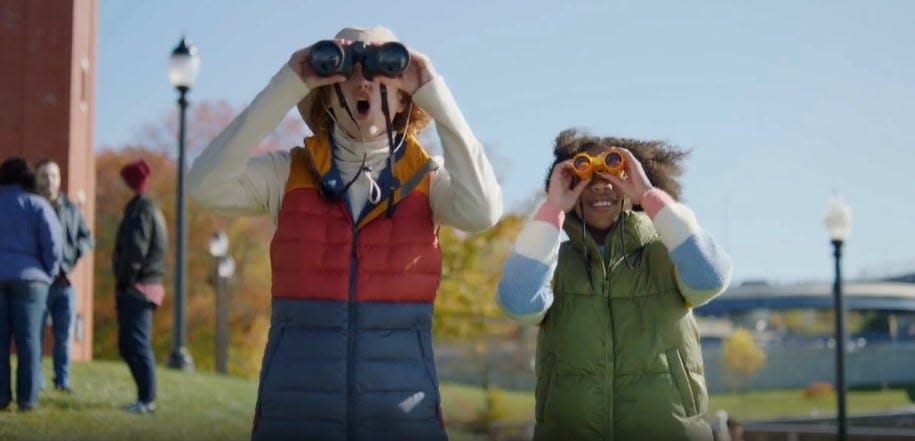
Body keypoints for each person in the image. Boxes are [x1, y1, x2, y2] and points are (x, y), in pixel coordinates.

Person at [188, 26, 502, 440]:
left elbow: (484, 210)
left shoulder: (430, 180)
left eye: (380, 71)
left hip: (403, 423)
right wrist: (288, 82)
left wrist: (432, 86)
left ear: (404, 99)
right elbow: (204, 185)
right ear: (326, 96)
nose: (364, 80)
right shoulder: (288, 173)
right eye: (347, 71)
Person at [496, 130, 732, 441]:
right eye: (585, 173)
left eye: (614, 171)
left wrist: (647, 195)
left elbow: (711, 278)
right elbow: (517, 302)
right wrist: (553, 208)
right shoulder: (553, 264)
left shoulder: (667, 254)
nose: (601, 184)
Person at [0, 157, 62, 411]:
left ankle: (1, 396)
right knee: (29, 341)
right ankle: (28, 400)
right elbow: (53, 244)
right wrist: (49, 272)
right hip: (31, 280)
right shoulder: (38, 205)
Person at [34, 159, 95, 393]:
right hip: (39, 283)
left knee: (64, 335)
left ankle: (62, 381)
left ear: (59, 179)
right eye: (44, 176)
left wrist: (73, 255)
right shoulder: (32, 207)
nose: (50, 181)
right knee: (35, 333)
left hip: (64, 283)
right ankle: (35, 380)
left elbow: (87, 238)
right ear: (36, 179)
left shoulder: (70, 209)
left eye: (54, 176)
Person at [112, 159, 167, 414]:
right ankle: (145, 398)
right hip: (145, 285)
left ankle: (147, 400)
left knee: (137, 344)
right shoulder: (149, 208)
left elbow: (135, 249)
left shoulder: (140, 210)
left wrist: (125, 280)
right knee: (129, 344)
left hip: (138, 286)